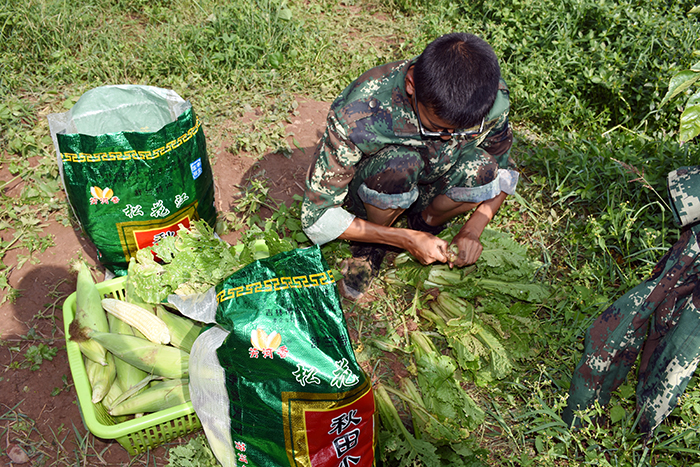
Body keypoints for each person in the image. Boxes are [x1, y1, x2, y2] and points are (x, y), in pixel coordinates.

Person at [301, 32, 519, 300]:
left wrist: (472, 230)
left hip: (435, 180)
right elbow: (317, 218)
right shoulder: (361, 111)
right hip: (377, 189)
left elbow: (504, 172)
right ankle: (374, 245)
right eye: (437, 127)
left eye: (463, 130)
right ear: (411, 85)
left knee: (483, 167)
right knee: (400, 165)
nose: (448, 138)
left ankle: (425, 224)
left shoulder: (489, 98)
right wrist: (403, 239)